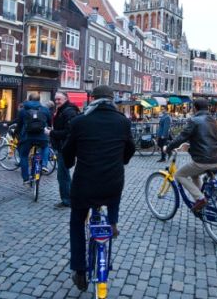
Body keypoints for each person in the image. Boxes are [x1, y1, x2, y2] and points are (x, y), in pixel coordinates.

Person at [62, 85, 135, 291]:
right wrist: (121, 160)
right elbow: (130, 148)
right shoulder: (122, 122)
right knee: (114, 189)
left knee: (77, 222)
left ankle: (79, 269)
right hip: (112, 182)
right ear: (112, 100)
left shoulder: (80, 122)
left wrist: (69, 163)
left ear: (92, 99)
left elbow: (68, 151)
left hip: (84, 184)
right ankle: (112, 222)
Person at [165, 98, 217, 212]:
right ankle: (202, 195)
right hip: (216, 159)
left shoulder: (194, 120)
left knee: (179, 175)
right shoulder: (213, 120)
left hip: (203, 160)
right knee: (194, 175)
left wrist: (169, 147)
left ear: (195, 108)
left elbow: (181, 137)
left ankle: (200, 198)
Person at [48, 91, 80, 208]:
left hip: (65, 147)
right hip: (61, 146)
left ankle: (67, 200)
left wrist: (51, 132)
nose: (57, 101)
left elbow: (69, 132)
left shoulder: (69, 111)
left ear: (66, 99)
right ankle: (69, 197)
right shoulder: (63, 110)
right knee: (63, 174)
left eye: (59, 99)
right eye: (55, 99)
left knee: (62, 175)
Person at [13, 93, 52, 185]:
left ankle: (26, 178)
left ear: (29, 99)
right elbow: (49, 123)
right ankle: (44, 165)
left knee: (24, 156)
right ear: (39, 100)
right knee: (45, 146)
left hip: (27, 137)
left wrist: (16, 135)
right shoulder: (45, 109)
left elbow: (19, 125)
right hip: (42, 137)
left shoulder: (23, 110)